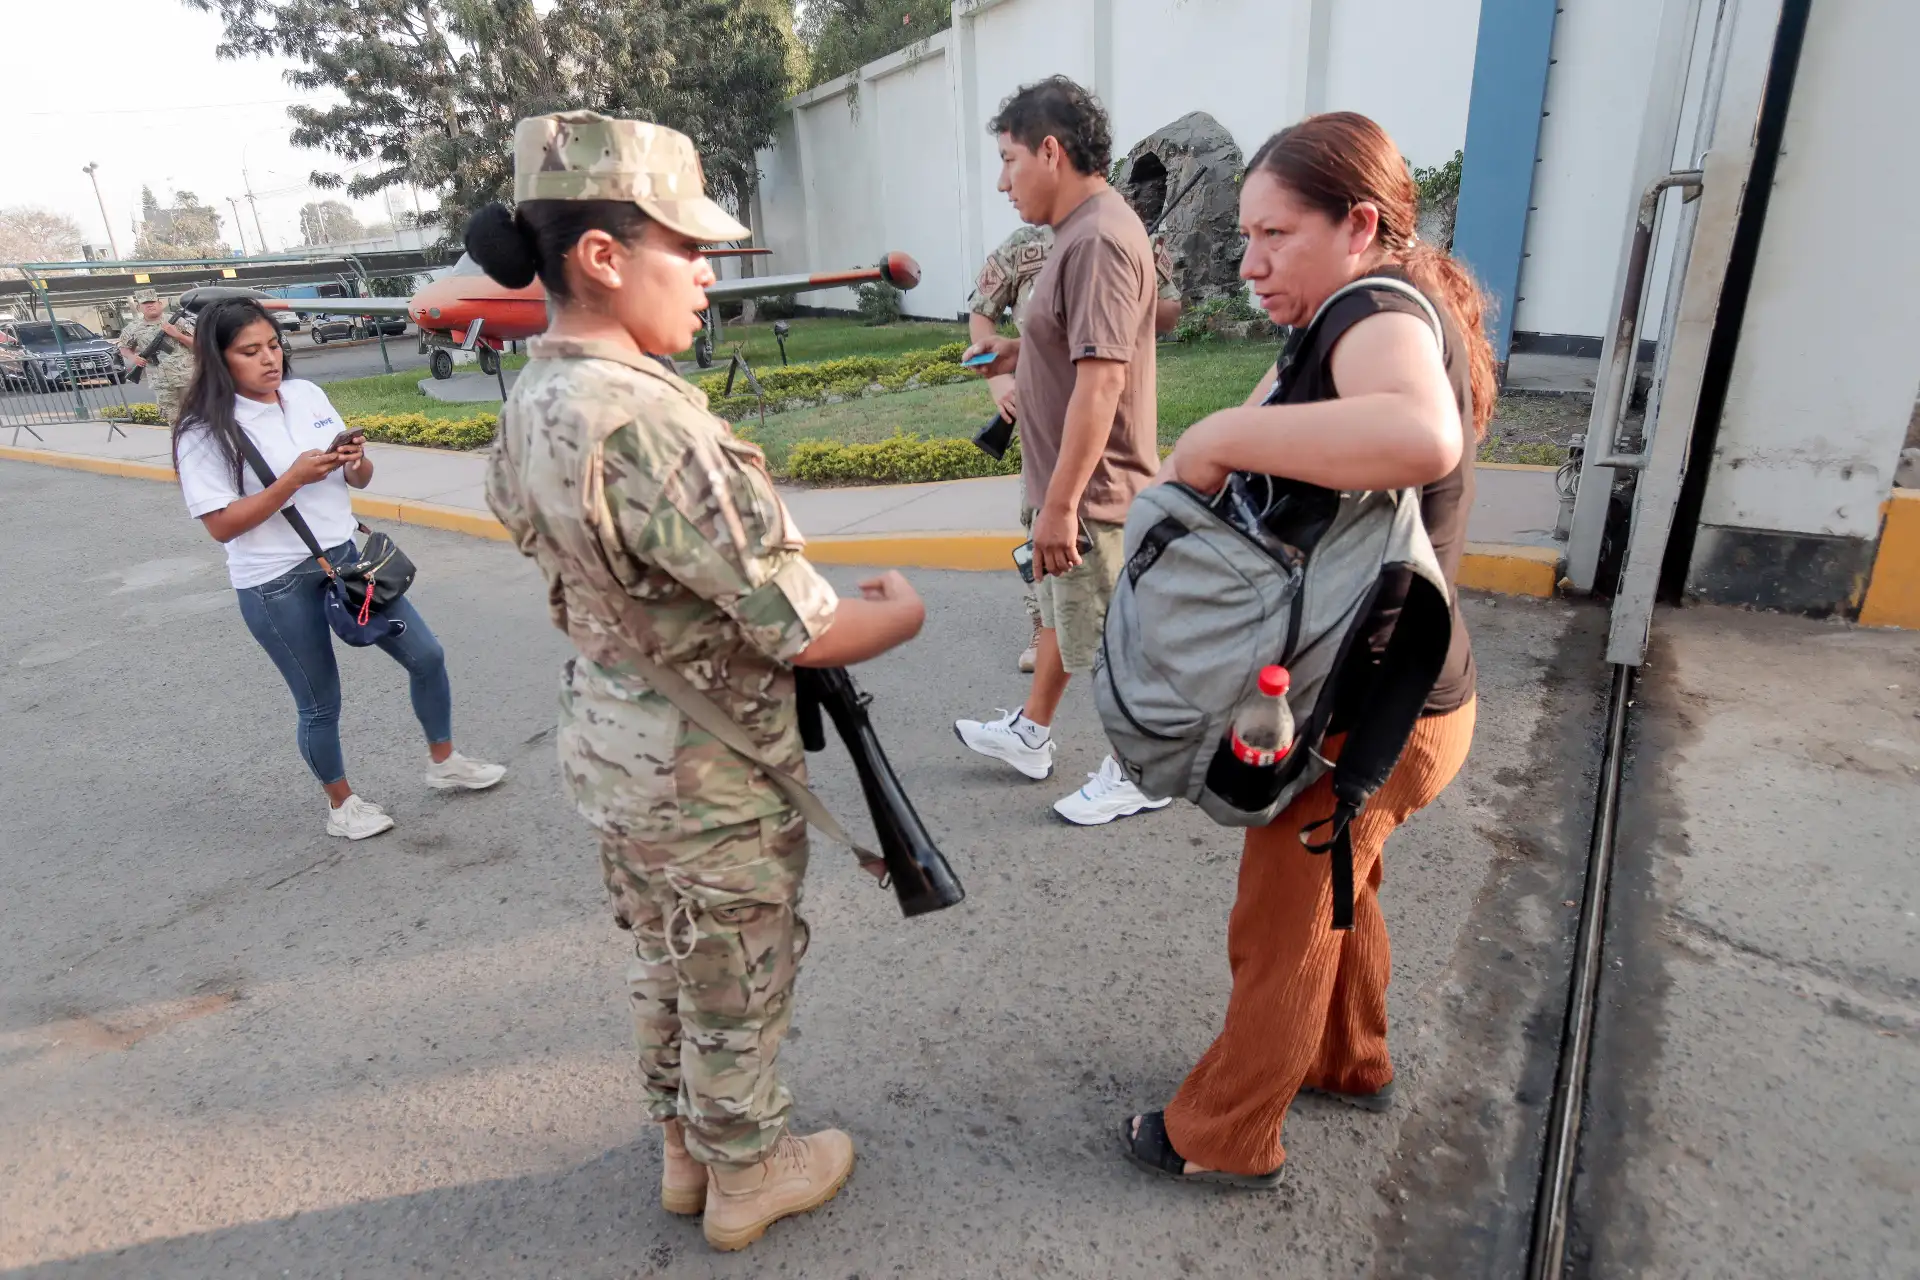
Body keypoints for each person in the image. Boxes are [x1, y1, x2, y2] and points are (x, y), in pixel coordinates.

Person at [472, 111, 926, 1253]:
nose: (710, 280)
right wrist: (901, 610)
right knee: (736, 965)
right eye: (693, 251)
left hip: (617, 746)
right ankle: (749, 1169)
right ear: (604, 256)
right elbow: (802, 627)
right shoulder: (647, 421)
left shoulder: (534, 397)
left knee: (669, 951)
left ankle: (685, 1146)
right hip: (706, 765)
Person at [1118, 112, 1491, 1188]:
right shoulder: (1358, 312)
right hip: (1410, 701)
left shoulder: (1371, 308)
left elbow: (1425, 435)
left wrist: (1218, 438)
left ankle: (1223, 1134)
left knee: (1280, 924)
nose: (1249, 262)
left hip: (1363, 709)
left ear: (1358, 224)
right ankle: (1350, 1057)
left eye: (1275, 234)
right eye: (1245, 236)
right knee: (1344, 878)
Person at [171, 298, 506, 841]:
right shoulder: (204, 431)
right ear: (219, 358)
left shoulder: (305, 395)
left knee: (427, 655)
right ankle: (342, 805)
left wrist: (356, 460)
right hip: (274, 581)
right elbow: (222, 526)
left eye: (274, 346)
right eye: (250, 351)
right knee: (320, 703)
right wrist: (293, 479)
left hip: (349, 560)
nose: (269, 360)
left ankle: (444, 761)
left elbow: (361, 480)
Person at [955, 76, 1170, 827]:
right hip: (1062, 482)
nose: (1002, 179)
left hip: (1096, 491)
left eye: (1010, 159)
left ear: (1052, 150)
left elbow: (1103, 381)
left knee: (1113, 635)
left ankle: (1142, 769)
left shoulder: (1103, 238)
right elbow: (1073, 348)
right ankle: (1031, 734)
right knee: (1058, 614)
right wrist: (1010, 353)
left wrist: (1063, 504)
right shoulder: (1074, 235)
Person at [969, 224, 1182, 673]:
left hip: (1107, 404)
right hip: (1042, 409)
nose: (1007, 184)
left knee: (1117, 521)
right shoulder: (1021, 243)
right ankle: (1042, 625)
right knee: (1038, 520)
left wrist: (1115, 300)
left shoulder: (1121, 234)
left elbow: (1169, 310)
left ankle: (1127, 635)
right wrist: (1000, 386)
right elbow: (981, 310)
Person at [120, 287, 196, 424]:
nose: (150, 305)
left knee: (197, 417)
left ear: (160, 304)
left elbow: (198, 343)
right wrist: (134, 358)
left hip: (187, 378)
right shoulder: (133, 328)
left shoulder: (177, 321)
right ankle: (178, 444)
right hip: (161, 383)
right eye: (145, 303)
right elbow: (124, 348)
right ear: (138, 307)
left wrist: (177, 335)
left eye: (153, 302)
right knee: (174, 420)